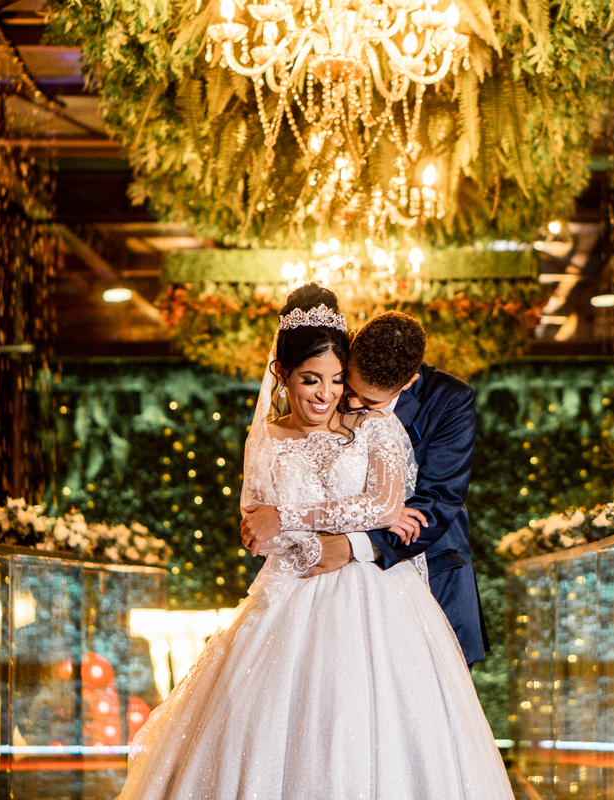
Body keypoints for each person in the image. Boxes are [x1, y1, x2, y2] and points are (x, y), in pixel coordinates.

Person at [117, 285, 513, 800]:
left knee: (410, 731)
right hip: (295, 589)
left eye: (348, 389)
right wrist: (290, 535)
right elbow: (258, 523)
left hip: (404, 582)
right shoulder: (274, 433)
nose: (342, 400)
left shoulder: (429, 408)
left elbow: (425, 505)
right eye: (325, 381)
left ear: (408, 382)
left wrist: (334, 539)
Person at [242, 310, 488, 664]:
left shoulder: (449, 400)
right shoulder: (322, 386)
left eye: (371, 402)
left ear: (409, 383)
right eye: (349, 386)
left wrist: (354, 543)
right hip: (308, 592)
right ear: (351, 344)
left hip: (420, 582)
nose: (352, 404)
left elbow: (436, 503)